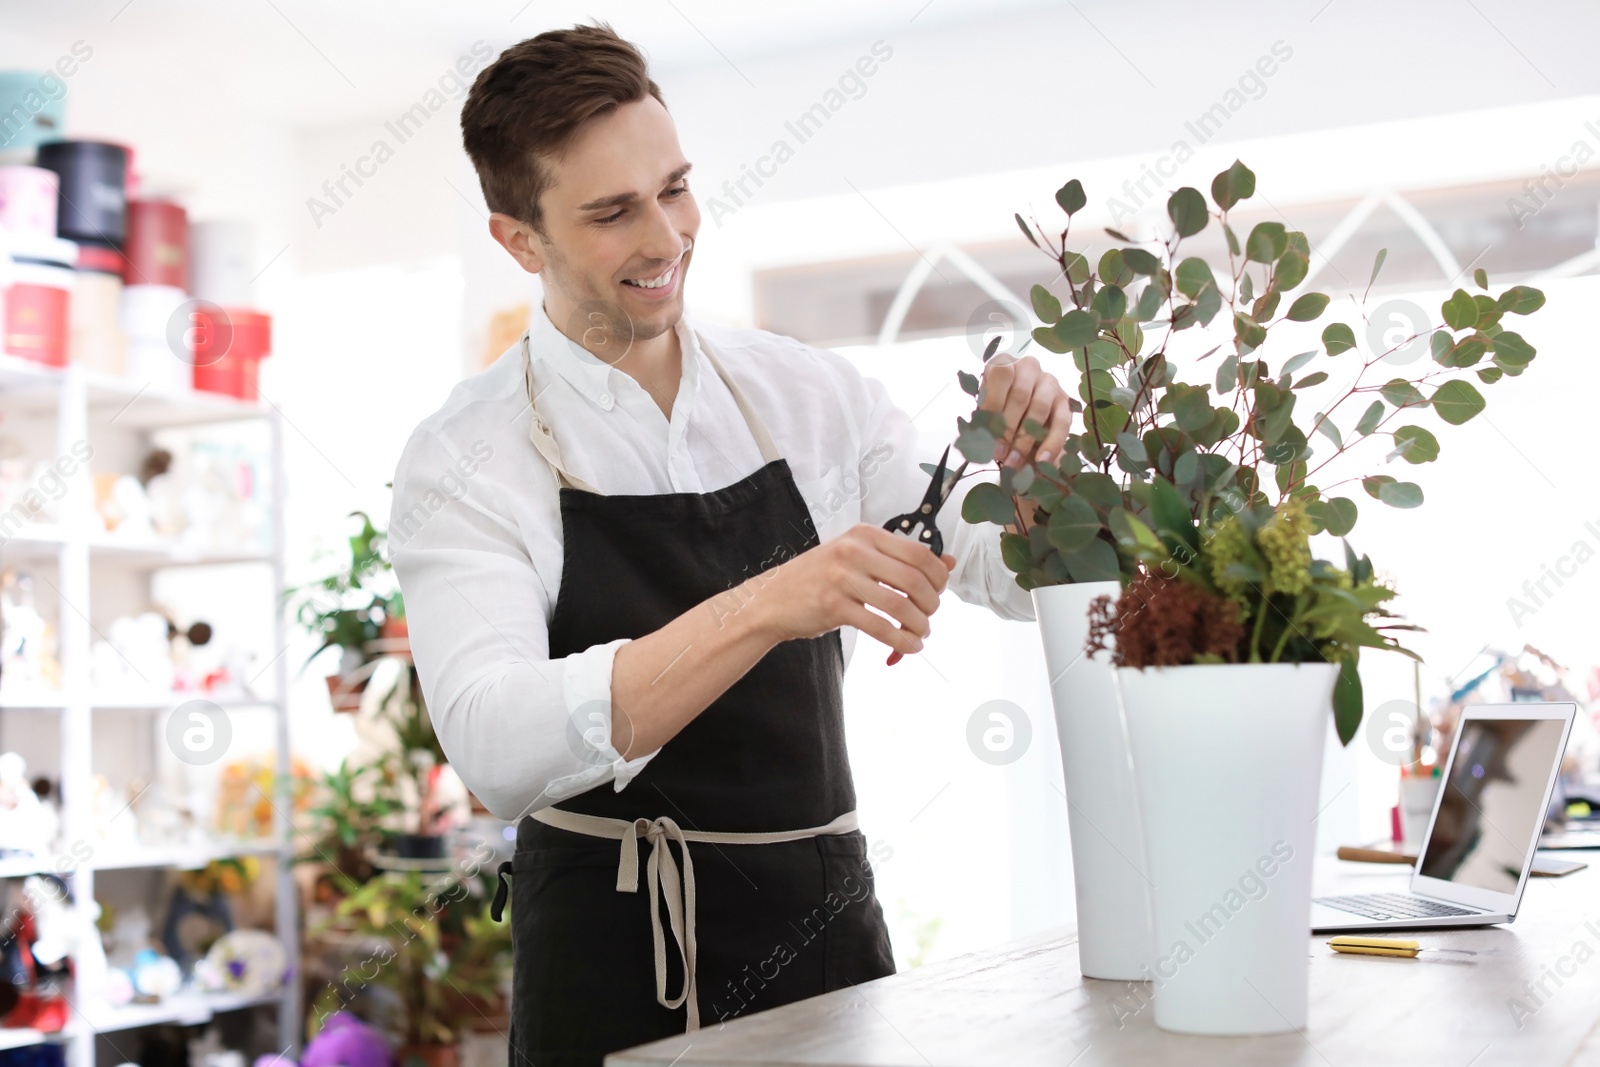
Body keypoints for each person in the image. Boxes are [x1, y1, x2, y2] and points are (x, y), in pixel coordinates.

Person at [388, 22, 1073, 1067]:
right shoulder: (468, 456)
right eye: (613, 211)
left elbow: (1021, 578)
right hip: (612, 970)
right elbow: (496, 744)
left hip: (826, 947)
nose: (666, 237)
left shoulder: (808, 395)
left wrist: (1033, 481)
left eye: (674, 187)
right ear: (519, 241)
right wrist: (765, 603)